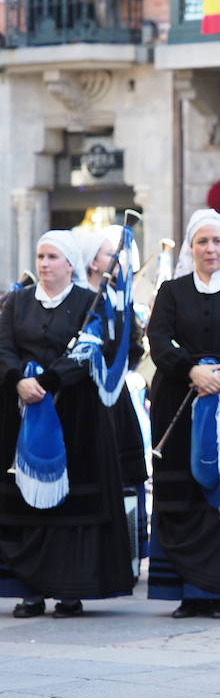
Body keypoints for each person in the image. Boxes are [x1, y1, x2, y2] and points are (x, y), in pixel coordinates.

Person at [0, 231, 134, 617]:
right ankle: (30, 592)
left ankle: (69, 589)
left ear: (70, 263)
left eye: (52, 257)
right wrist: (18, 380)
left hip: (74, 414)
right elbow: (5, 345)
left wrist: (48, 382)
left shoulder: (87, 304)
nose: (44, 263)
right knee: (24, 503)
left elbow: (92, 350)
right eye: (40, 256)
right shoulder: (17, 301)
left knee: (71, 506)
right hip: (22, 411)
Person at [147, 209, 220, 619]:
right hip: (181, 400)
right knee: (186, 491)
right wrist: (190, 370)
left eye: (215, 241)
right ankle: (187, 590)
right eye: (201, 242)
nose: (209, 249)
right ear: (191, 248)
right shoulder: (172, 291)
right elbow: (157, 338)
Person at [76, 229, 148, 572]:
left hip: (115, 398)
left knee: (124, 475)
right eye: (109, 255)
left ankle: (125, 557)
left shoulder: (121, 299)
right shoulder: (80, 299)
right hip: (83, 399)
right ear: (92, 261)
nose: (116, 261)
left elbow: (133, 345)